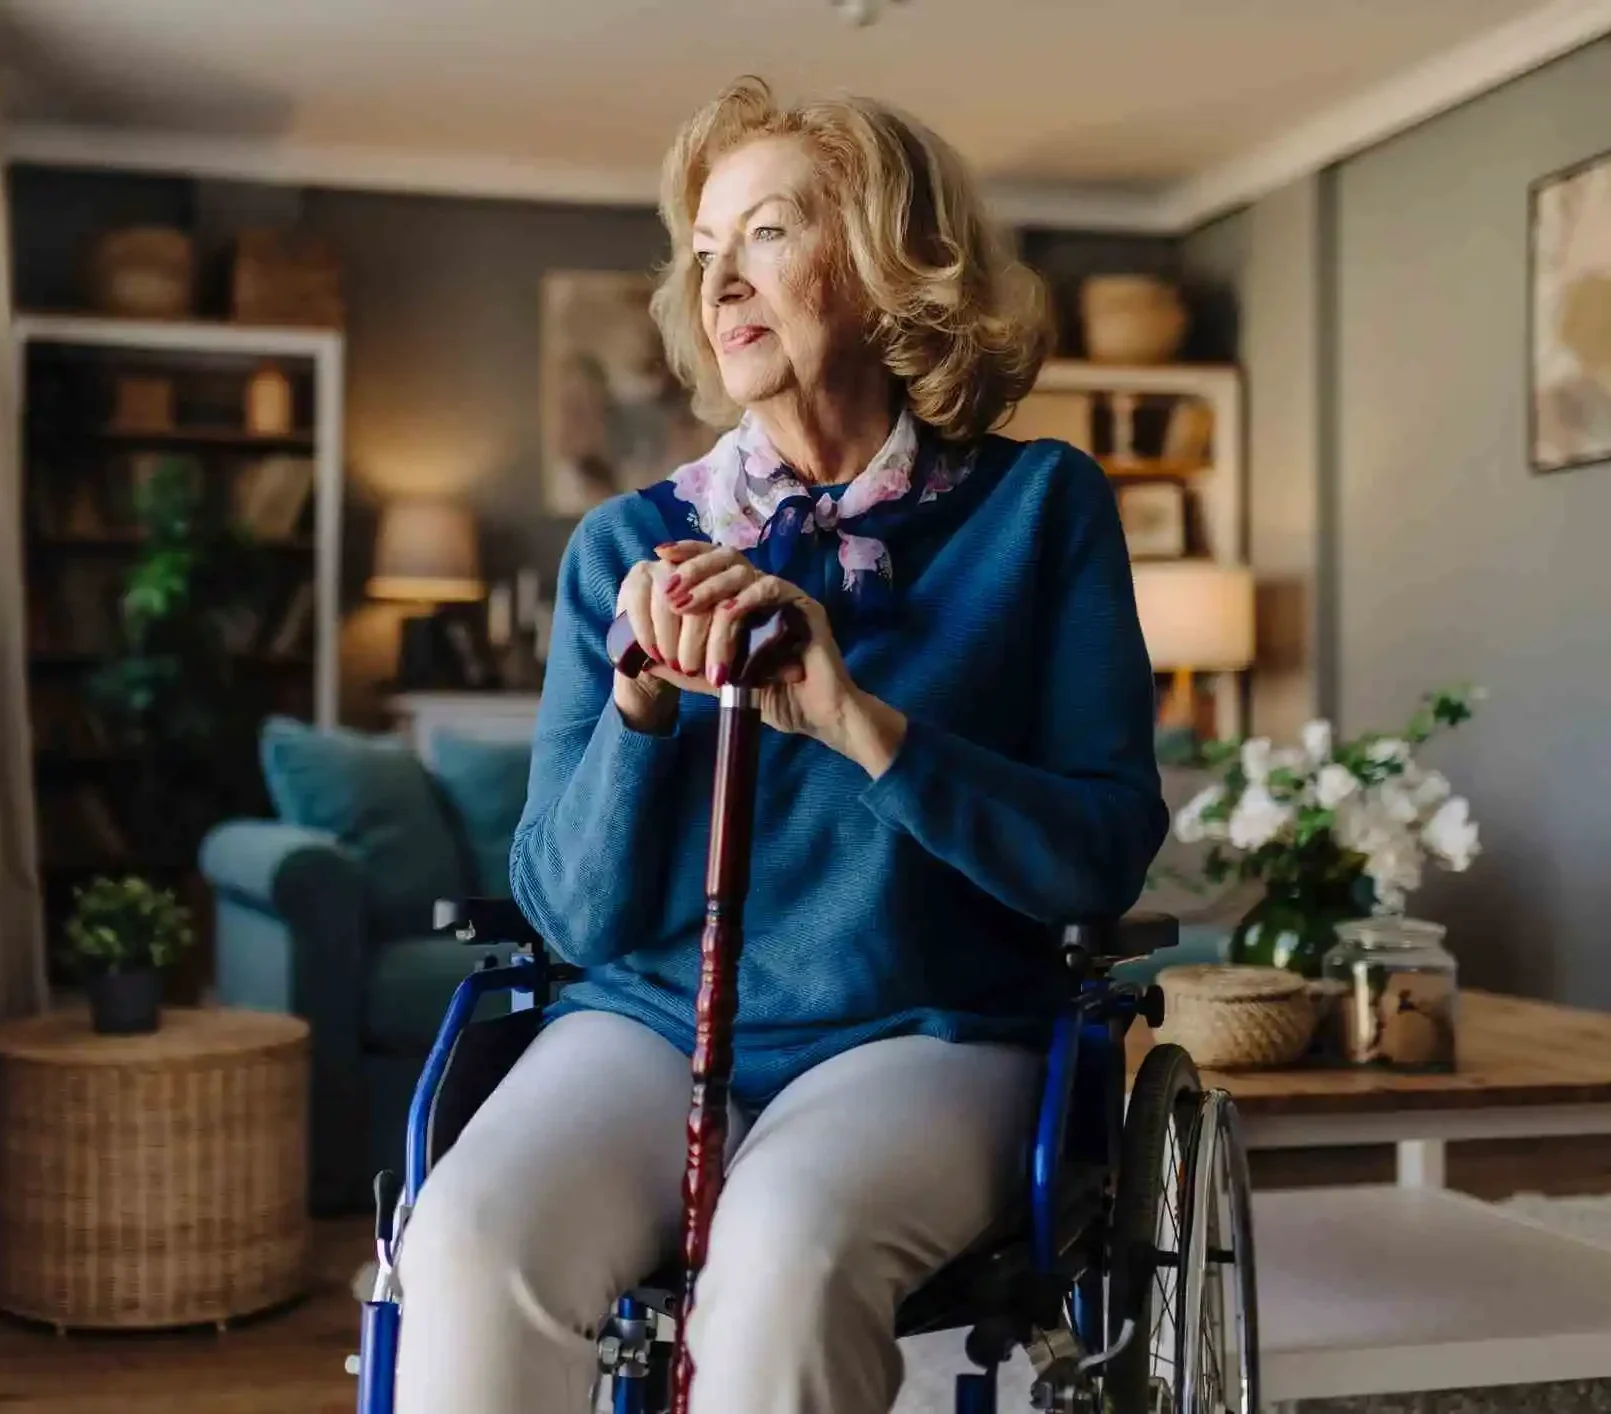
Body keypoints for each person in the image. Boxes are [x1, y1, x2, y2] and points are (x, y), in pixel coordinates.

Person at [394, 76, 1168, 1414]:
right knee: (468, 1231)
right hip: (645, 1026)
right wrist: (637, 710)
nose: (719, 280)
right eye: (703, 252)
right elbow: (569, 908)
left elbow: (1094, 856)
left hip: (923, 1034)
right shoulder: (624, 549)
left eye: (765, 233)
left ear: (882, 266)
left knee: (786, 1251)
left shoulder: (1040, 509)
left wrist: (860, 724)